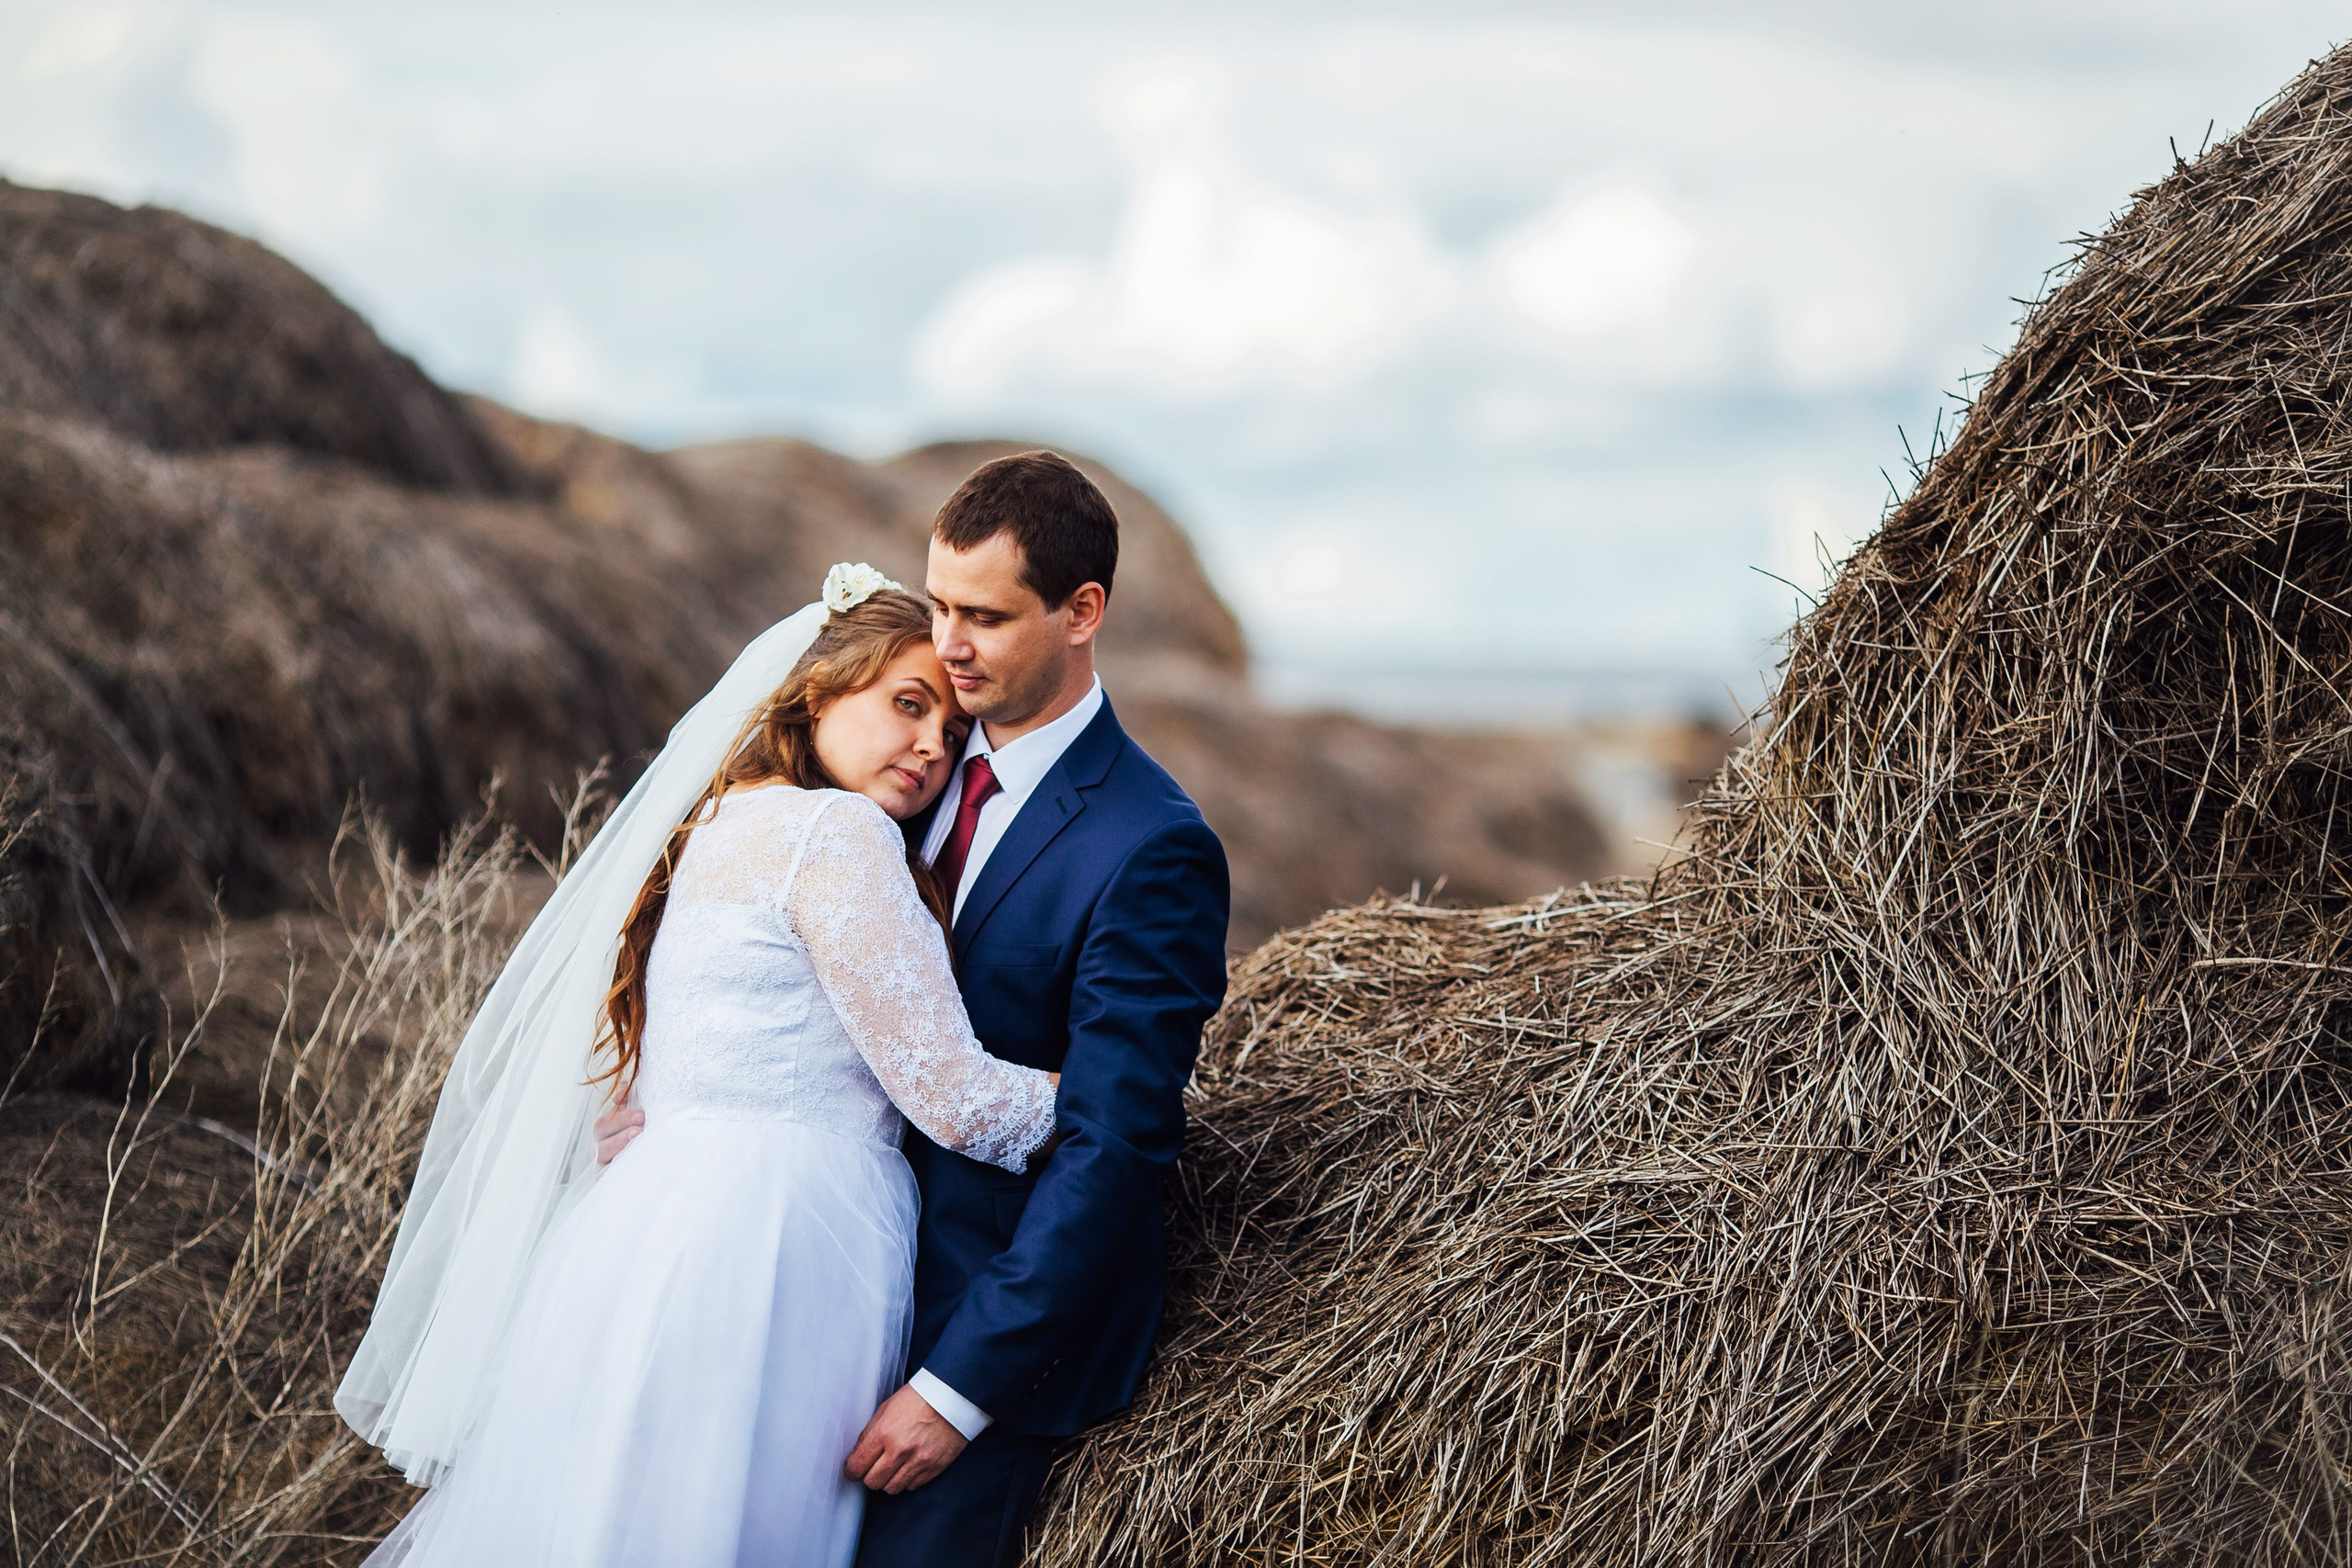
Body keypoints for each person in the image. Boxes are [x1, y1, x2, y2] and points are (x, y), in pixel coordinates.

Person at [338, 572, 1063, 1567]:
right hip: (773, 1246)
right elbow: (957, 1099)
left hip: (649, 1232)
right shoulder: (833, 831)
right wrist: (1134, 1097)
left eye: (952, 728)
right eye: (907, 702)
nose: (934, 744)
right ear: (817, 692)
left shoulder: (718, 825)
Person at [598, 450, 1232, 1568]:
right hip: (792, 1302)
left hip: (963, 1350)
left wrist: (957, 1393)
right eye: (938, 605)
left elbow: (1115, 1146)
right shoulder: (874, 787)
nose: (948, 646)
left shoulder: (1150, 846)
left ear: (1083, 613)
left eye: (984, 617)